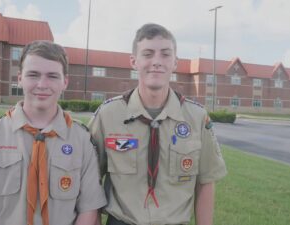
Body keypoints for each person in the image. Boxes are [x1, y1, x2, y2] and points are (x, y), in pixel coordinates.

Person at [0, 40, 106, 225]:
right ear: (20, 79)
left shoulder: (82, 139)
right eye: (33, 75)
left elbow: (89, 211)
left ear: (65, 82)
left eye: (52, 76)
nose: (42, 84)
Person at [88, 23, 227, 225]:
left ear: (175, 62)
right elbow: (90, 182)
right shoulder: (108, 115)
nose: (156, 62)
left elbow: (206, 182)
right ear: (134, 61)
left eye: (165, 54)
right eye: (148, 54)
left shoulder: (196, 118)